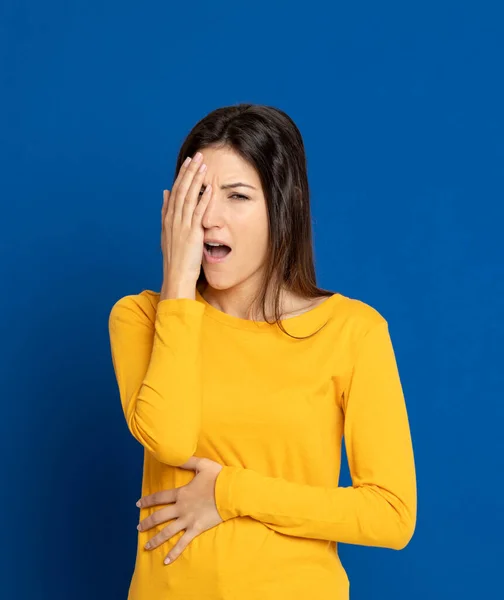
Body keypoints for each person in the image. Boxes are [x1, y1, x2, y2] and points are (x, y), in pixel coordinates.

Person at [108, 103, 417, 600]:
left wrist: (229, 493)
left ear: (283, 205)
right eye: (199, 194)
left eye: (237, 196)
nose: (210, 217)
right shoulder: (144, 318)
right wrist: (179, 285)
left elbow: (391, 515)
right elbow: (168, 440)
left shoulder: (352, 331)